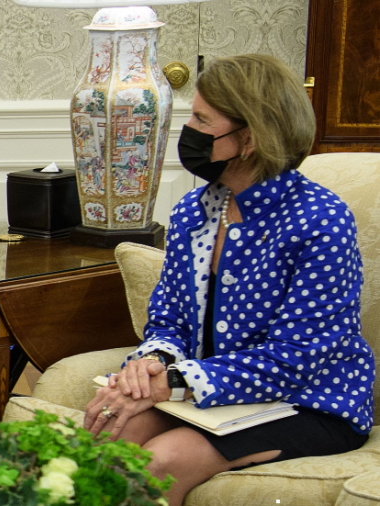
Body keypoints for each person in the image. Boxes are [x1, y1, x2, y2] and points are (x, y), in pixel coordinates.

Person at [82, 54, 375, 505]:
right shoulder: (193, 212)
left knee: (160, 462)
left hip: (310, 401)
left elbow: (293, 360)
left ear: (250, 138)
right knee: (111, 429)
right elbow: (168, 319)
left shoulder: (320, 221)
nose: (190, 132)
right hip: (216, 399)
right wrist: (150, 364)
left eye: (202, 119)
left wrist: (173, 382)